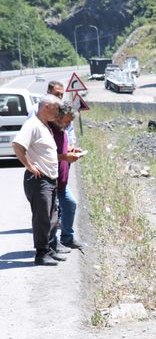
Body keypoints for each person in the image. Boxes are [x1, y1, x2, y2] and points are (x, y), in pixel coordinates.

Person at [12, 94, 65, 266]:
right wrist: (29, 165)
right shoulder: (32, 124)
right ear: (47, 107)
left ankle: (49, 249)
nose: (58, 113)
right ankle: (41, 254)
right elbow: (17, 145)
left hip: (50, 179)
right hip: (39, 179)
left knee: (52, 216)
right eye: (56, 109)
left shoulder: (44, 126)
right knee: (42, 217)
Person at [48, 101, 85, 251]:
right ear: (59, 117)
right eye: (68, 120)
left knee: (70, 204)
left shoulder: (62, 130)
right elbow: (46, 155)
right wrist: (65, 157)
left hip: (61, 182)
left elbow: (62, 148)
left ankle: (67, 238)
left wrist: (72, 149)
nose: (69, 123)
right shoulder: (49, 131)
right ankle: (52, 245)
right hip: (50, 181)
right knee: (52, 215)